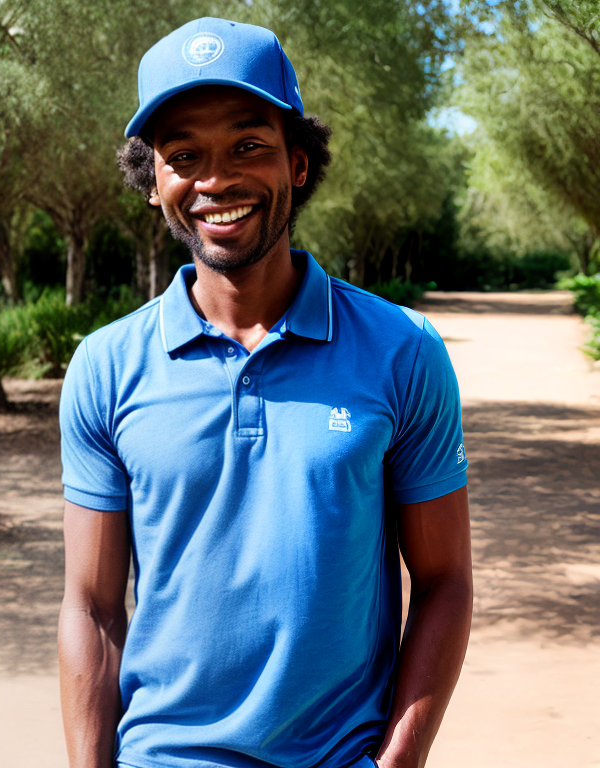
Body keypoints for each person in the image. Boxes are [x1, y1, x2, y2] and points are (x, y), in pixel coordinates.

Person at [59, 17, 473, 768]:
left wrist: (397, 763)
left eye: (248, 145)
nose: (216, 180)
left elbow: (444, 582)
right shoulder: (105, 367)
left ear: (298, 164)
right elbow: (91, 606)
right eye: (184, 155)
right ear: (153, 183)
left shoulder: (403, 351)